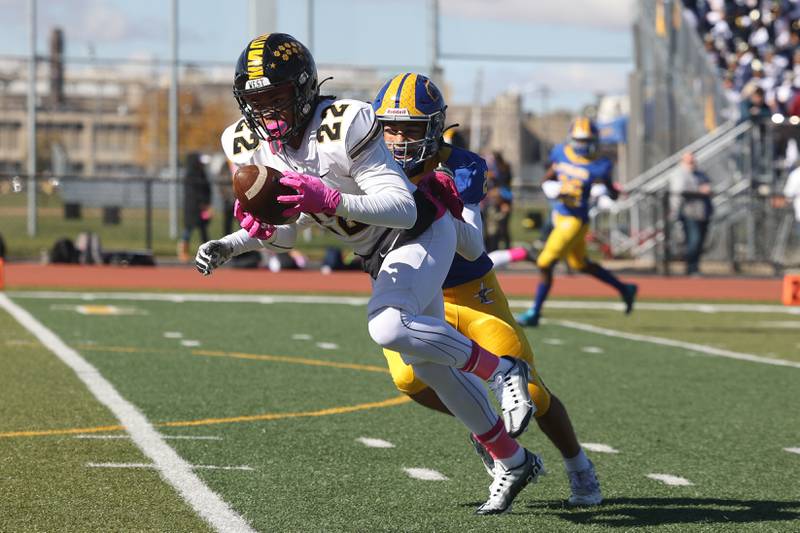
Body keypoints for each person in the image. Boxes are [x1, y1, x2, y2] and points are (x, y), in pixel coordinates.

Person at [194, 34, 541, 515]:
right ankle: (513, 459)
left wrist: (331, 199)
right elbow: (287, 237)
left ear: (303, 90)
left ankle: (504, 369)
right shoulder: (243, 142)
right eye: (256, 101)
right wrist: (238, 239)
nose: (268, 112)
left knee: (388, 324)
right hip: (376, 254)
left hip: (421, 230)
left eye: (276, 98)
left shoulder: (345, 122)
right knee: (430, 369)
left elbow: (400, 207)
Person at [374, 73, 602, 506]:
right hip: (414, 294)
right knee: (410, 380)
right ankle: (487, 430)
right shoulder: (368, 165)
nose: (399, 140)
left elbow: (474, 243)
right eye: (391, 127)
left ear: (434, 128)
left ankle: (579, 466)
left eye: (411, 128)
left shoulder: (460, 166)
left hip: (469, 290)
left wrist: (431, 207)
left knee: (532, 391)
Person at [516, 117, 637, 327]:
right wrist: (550, 187)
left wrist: (608, 192)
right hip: (560, 215)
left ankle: (535, 312)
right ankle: (624, 288)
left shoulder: (601, 164)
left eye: (586, 140)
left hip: (574, 221)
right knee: (579, 264)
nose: (582, 145)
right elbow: (549, 177)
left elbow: (612, 193)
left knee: (545, 263)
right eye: (579, 141)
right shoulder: (561, 151)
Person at [670, 152, 713, 276]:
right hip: (689, 213)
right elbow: (678, 193)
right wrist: (674, 210)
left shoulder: (700, 173)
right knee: (694, 240)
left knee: (700, 242)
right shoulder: (679, 174)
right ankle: (691, 267)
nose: (692, 163)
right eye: (689, 161)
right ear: (683, 162)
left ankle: (695, 266)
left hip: (703, 212)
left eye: (693, 161)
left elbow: (708, 186)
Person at [178, 152, 213, 262]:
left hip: (203, 208)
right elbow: (193, 193)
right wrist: (202, 203)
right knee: (188, 230)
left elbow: (207, 190)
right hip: (192, 209)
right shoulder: (190, 175)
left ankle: (208, 253)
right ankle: (183, 252)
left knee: (203, 231)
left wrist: (207, 204)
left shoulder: (202, 174)